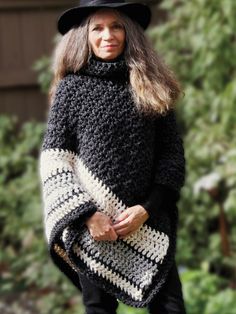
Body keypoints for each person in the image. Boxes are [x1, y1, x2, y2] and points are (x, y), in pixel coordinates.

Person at [39, 1, 187, 313]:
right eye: (98, 28)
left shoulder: (151, 86)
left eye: (117, 26)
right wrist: (87, 216)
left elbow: (171, 157)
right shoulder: (71, 90)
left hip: (148, 225)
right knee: (99, 309)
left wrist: (146, 210)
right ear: (84, 36)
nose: (109, 35)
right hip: (93, 229)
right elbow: (55, 161)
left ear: (130, 32)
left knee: (171, 307)